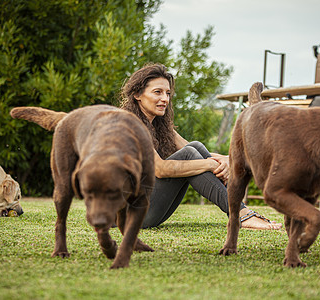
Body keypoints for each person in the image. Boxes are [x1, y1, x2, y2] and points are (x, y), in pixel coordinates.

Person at [119, 63, 282, 230]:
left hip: (145, 209)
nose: (165, 99)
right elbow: (161, 169)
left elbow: (194, 150)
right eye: (157, 92)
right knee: (189, 153)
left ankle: (239, 212)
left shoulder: (159, 127)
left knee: (194, 146)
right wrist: (210, 164)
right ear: (138, 94)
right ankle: (241, 214)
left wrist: (227, 160)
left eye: (168, 93)